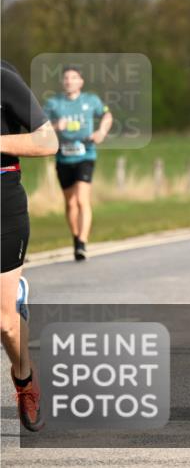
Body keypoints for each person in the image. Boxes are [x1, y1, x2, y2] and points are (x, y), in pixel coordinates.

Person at [2, 59, 58, 432]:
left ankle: (24, 378)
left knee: (5, 323)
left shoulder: (4, 80)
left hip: (2, 203)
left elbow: (47, 140)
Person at [43, 66, 113, 261]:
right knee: (70, 203)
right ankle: (76, 237)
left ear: (81, 82)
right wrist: (57, 126)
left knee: (82, 199)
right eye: (66, 78)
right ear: (62, 82)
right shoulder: (53, 103)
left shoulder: (91, 101)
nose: (69, 81)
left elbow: (107, 115)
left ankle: (82, 243)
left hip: (86, 155)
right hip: (63, 158)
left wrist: (101, 132)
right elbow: (39, 127)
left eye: (74, 78)